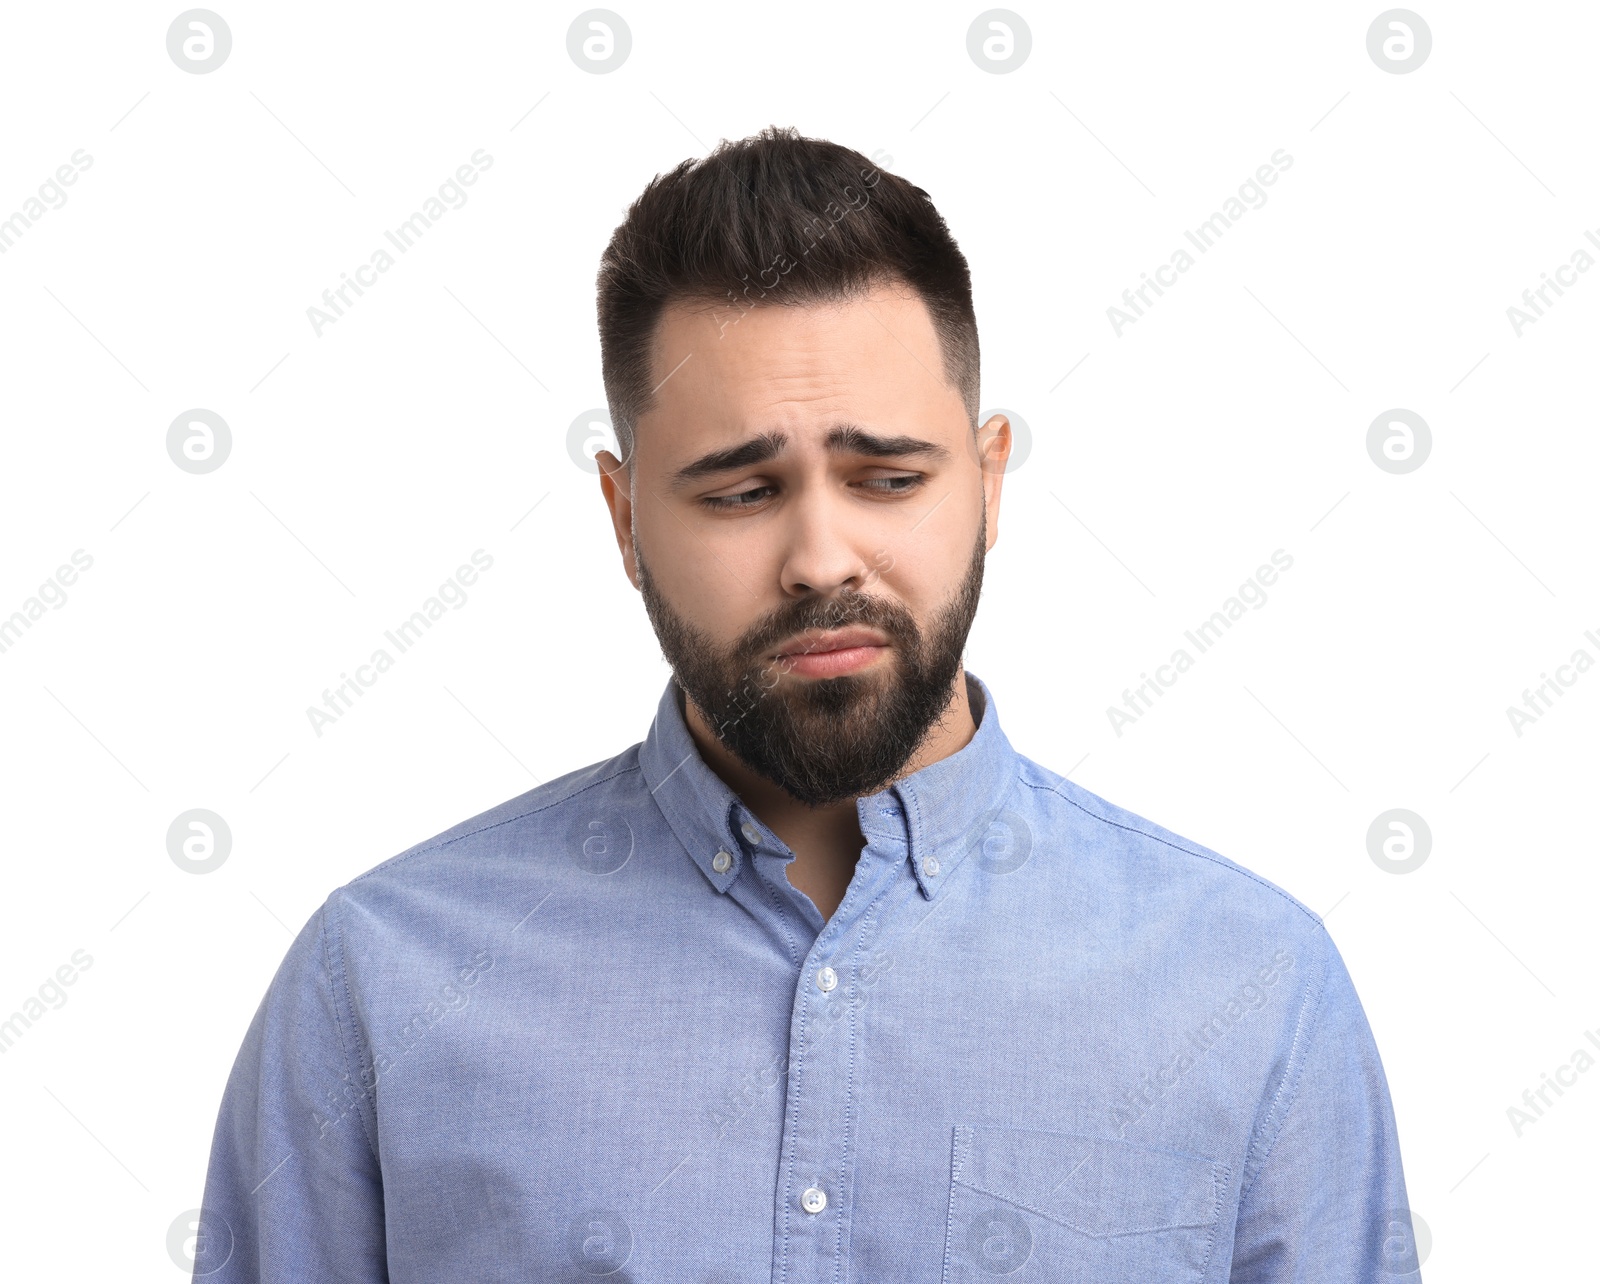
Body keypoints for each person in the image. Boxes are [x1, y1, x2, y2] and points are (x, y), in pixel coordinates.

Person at [192, 125, 1420, 1282]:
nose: (821, 558)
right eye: (738, 493)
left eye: (887, 477)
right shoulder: (380, 987)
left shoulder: (1251, 988)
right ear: (625, 520)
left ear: (989, 483)